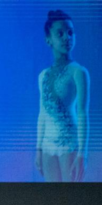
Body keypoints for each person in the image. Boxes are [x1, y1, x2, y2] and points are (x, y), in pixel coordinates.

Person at [36, 10, 90, 182]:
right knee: (52, 201)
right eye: (60, 33)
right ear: (48, 40)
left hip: (69, 145)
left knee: (70, 201)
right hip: (47, 146)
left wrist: (82, 153)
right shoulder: (43, 75)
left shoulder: (78, 72)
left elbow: (83, 113)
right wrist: (38, 149)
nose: (67, 37)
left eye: (70, 32)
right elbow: (42, 113)